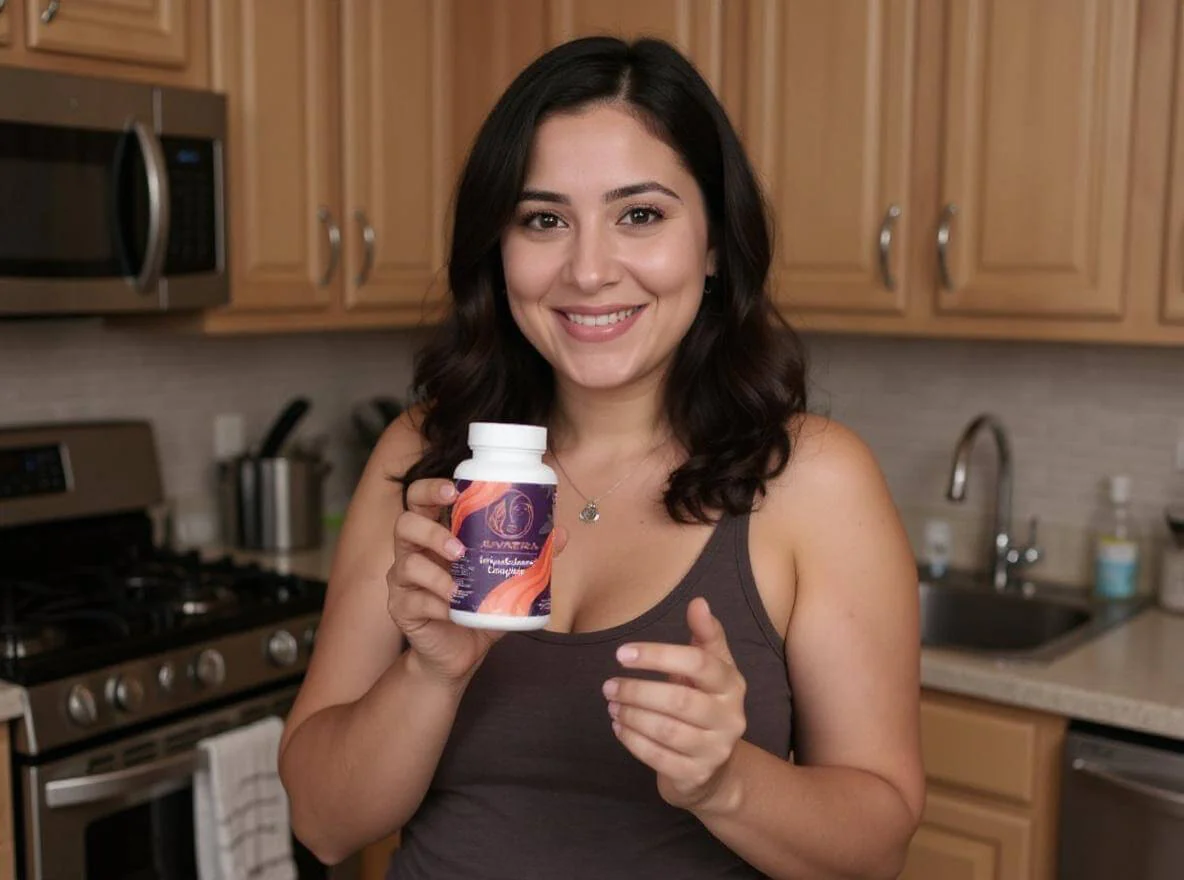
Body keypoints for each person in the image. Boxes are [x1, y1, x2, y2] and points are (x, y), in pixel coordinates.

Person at [278, 35, 925, 880]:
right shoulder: (428, 459)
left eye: (640, 215)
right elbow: (324, 825)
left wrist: (726, 782)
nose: (587, 270)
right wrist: (429, 678)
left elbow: (879, 847)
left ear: (716, 245)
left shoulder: (812, 481)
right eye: (543, 219)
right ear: (498, 248)